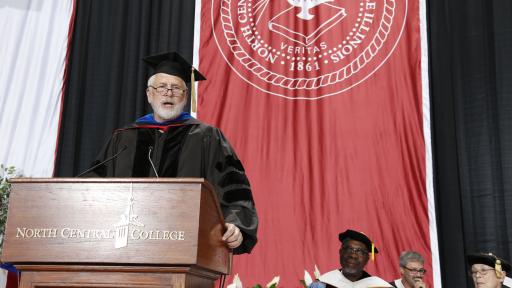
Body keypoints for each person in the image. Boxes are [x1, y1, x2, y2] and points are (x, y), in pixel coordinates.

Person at [83, 51, 258, 254]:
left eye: (176, 88)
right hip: (123, 247)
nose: (168, 93)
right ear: (149, 94)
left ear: (185, 97)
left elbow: (234, 186)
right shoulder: (123, 138)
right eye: (161, 87)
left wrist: (235, 223)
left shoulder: (207, 137)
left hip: (187, 245)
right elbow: (94, 184)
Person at [310, 229, 392, 288]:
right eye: (349, 249)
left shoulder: (378, 285)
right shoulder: (323, 283)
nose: (353, 255)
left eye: (360, 251)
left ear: (367, 258)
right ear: (340, 252)